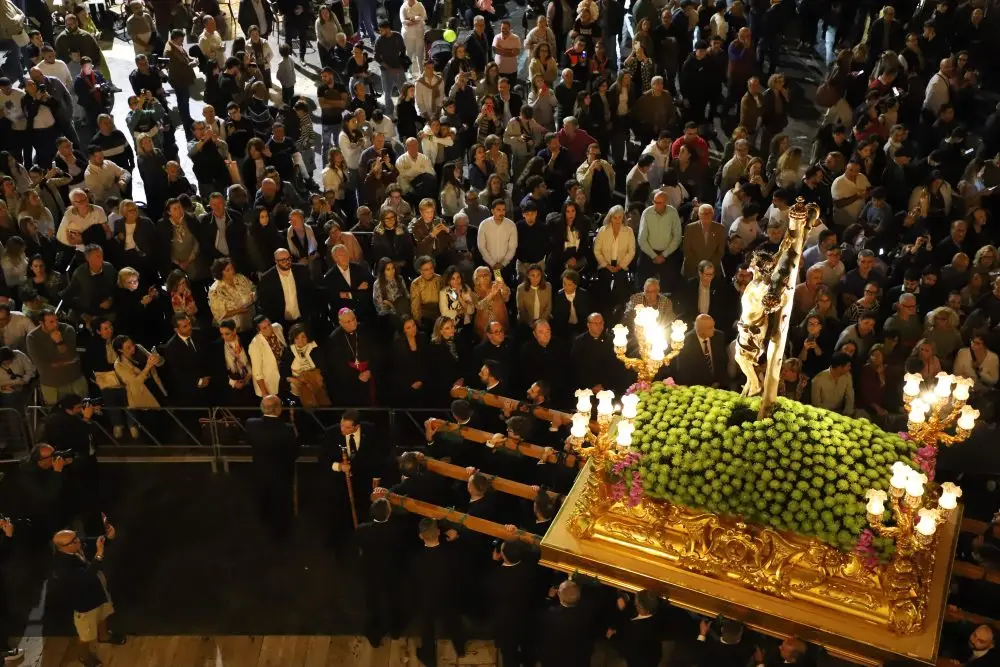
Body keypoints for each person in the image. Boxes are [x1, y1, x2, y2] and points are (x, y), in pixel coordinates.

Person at [51, 522, 124, 667]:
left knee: (104, 614)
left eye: (76, 537)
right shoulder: (62, 566)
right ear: (64, 547)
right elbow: (86, 577)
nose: (79, 541)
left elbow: (92, 542)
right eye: (74, 540)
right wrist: (98, 555)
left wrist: (107, 537)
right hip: (85, 603)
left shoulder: (75, 546)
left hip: (98, 591)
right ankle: (84, 655)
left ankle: (104, 636)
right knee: (86, 635)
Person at [246, 395, 299, 540]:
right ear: (278, 409)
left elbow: (249, 441)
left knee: (262, 497)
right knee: (280, 503)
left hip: (259, 470)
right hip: (281, 473)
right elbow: (294, 453)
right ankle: (280, 532)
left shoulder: (251, 423)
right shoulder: (287, 429)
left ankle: (263, 521)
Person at [26, 309, 87, 404]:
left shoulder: (67, 329)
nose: (55, 324)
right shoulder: (32, 338)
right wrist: (66, 362)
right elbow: (42, 365)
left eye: (56, 320)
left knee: (83, 407)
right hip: (52, 385)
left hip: (75, 380)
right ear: (41, 323)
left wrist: (60, 342)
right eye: (51, 322)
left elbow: (70, 356)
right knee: (56, 411)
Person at [159, 313, 212, 406]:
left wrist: (208, 375)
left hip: (209, 382)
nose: (189, 327)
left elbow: (208, 356)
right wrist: (198, 381)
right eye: (185, 326)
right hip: (191, 391)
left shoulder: (199, 334)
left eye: (189, 324)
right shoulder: (171, 348)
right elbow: (178, 373)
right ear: (176, 329)